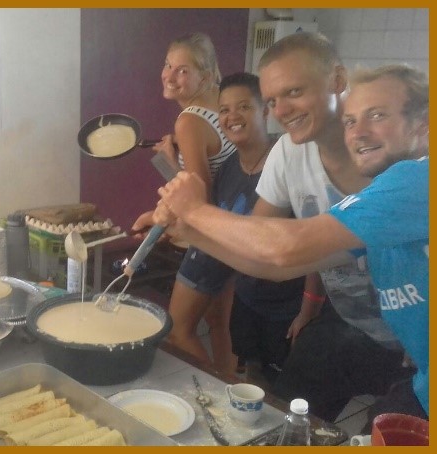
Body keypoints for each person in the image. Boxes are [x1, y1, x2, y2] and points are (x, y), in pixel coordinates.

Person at [152, 63, 429, 425]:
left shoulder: (419, 178)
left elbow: (287, 246)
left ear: (423, 125)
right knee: (295, 404)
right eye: (350, 121)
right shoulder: (381, 196)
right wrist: (191, 232)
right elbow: (277, 265)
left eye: (377, 115)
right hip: (409, 360)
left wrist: (194, 209)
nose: (358, 132)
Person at [177, 72, 305, 386]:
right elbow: (226, 232)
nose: (232, 116)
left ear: (265, 110)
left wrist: (309, 307)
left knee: (282, 389)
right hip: (247, 298)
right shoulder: (229, 168)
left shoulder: (287, 164)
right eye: (224, 110)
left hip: (286, 307)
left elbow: (310, 239)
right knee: (252, 377)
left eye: (244, 107)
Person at [132, 32, 237, 373]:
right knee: (219, 324)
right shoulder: (223, 104)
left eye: (183, 70)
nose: (170, 75)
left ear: (204, 76)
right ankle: (234, 390)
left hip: (209, 238)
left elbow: (197, 199)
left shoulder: (189, 120)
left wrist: (167, 162)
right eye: (168, 65)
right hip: (234, 229)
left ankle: (216, 393)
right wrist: (175, 154)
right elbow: (214, 175)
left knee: (178, 330)